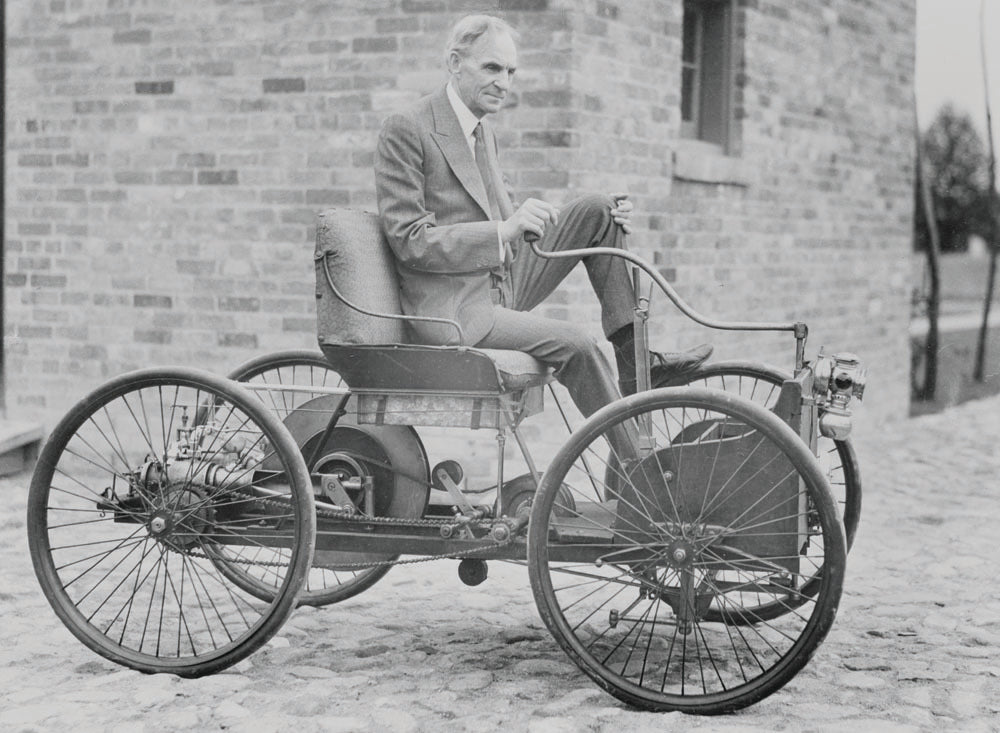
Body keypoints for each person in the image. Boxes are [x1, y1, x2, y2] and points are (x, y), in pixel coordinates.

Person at [373, 13, 711, 425]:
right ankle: (638, 470)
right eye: (492, 68)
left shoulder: (483, 132)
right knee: (579, 344)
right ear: (455, 62)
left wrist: (527, 219)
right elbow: (410, 240)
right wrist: (503, 229)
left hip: (499, 280)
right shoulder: (407, 128)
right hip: (453, 308)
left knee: (598, 209)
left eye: (511, 71)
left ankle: (634, 365)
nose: (504, 82)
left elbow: (499, 220)